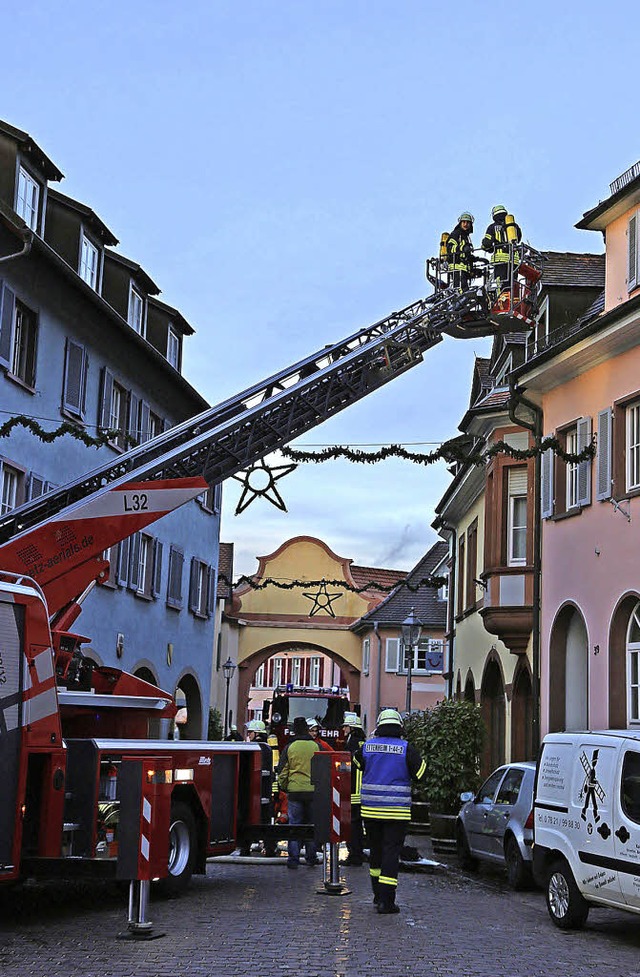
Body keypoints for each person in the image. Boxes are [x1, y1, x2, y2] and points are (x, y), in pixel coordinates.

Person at [353, 708, 427, 914]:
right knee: (391, 854)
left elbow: (357, 764)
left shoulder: (367, 747)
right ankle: (387, 901)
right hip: (397, 812)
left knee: (375, 853)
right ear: (399, 727)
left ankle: (377, 896)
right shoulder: (406, 748)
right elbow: (420, 773)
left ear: (378, 726)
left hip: (371, 811)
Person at [276, 716, 320, 868]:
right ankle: (311, 857)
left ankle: (293, 860)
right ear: (307, 729)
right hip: (313, 791)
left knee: (294, 826)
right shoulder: (315, 746)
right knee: (311, 826)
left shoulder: (290, 747)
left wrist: (284, 786)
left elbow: (283, 771)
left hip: (294, 792)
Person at [341, 711, 367, 867]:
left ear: (351, 728)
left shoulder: (352, 743)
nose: (344, 730)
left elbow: (347, 765)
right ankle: (358, 852)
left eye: (345, 727)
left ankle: (355, 855)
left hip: (354, 791)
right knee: (358, 825)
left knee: (353, 826)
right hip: (363, 790)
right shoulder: (362, 742)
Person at [481, 205, 522, 289]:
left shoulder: (492, 227)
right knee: (512, 283)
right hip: (514, 260)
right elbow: (518, 238)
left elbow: (487, 243)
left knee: (501, 284)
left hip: (501, 260)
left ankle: (502, 297)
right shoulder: (514, 226)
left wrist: (487, 246)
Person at [446, 212, 476, 290]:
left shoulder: (465, 236)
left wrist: (476, 259)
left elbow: (466, 254)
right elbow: (450, 248)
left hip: (463, 269)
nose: (466, 224)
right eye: (464, 222)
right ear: (460, 223)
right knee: (461, 292)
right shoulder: (456, 234)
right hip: (457, 268)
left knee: (465, 291)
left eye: (468, 222)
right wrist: (462, 248)